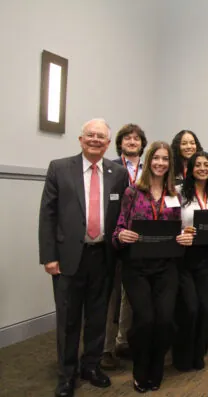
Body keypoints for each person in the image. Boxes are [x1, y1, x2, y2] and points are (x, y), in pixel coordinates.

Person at [39, 118, 128, 397]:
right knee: (68, 318)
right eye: (90, 135)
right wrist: (49, 256)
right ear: (80, 139)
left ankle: (91, 365)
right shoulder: (59, 168)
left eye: (101, 137)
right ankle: (67, 374)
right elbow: (48, 215)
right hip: (67, 258)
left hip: (103, 256)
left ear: (108, 143)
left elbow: (122, 215)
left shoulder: (118, 173)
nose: (95, 140)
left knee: (98, 316)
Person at [113, 141, 193, 392]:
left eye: (165, 159)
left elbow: (177, 230)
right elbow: (118, 229)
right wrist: (121, 236)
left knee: (165, 320)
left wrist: (185, 237)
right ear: (148, 162)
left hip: (166, 267)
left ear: (170, 164)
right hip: (136, 267)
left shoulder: (174, 195)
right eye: (156, 158)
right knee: (145, 319)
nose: (160, 163)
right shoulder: (132, 193)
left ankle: (156, 368)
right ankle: (141, 368)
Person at [172, 152, 208, 372]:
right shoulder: (179, 193)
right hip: (183, 257)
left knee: (203, 308)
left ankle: (198, 353)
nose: (202, 168)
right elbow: (170, 222)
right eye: (198, 165)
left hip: (206, 256)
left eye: (207, 165)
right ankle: (182, 355)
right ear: (190, 169)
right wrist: (183, 231)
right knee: (188, 307)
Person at [101, 123, 147, 370]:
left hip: (141, 243)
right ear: (120, 143)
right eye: (127, 138)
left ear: (142, 143)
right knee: (111, 295)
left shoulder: (149, 169)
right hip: (115, 239)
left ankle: (123, 342)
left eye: (136, 138)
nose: (132, 141)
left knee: (130, 297)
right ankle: (106, 349)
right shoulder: (110, 168)